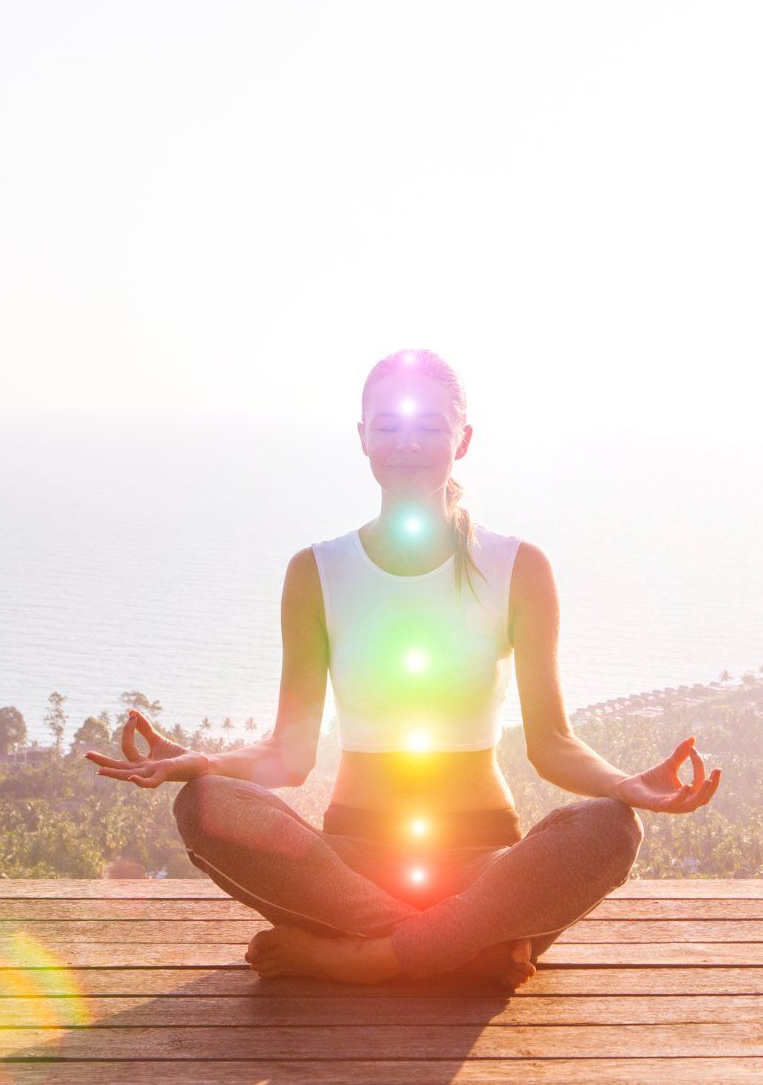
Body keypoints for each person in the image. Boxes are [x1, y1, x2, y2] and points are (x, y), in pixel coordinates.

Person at [84, 348, 723, 989]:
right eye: (387, 425)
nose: (407, 442)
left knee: (610, 829)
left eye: (429, 426)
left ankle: (371, 957)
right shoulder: (317, 572)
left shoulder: (518, 568)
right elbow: (289, 754)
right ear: (361, 436)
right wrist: (206, 764)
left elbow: (552, 746)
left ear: (463, 439)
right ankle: (459, 950)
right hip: (347, 871)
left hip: (482, 868)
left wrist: (625, 786)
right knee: (206, 806)